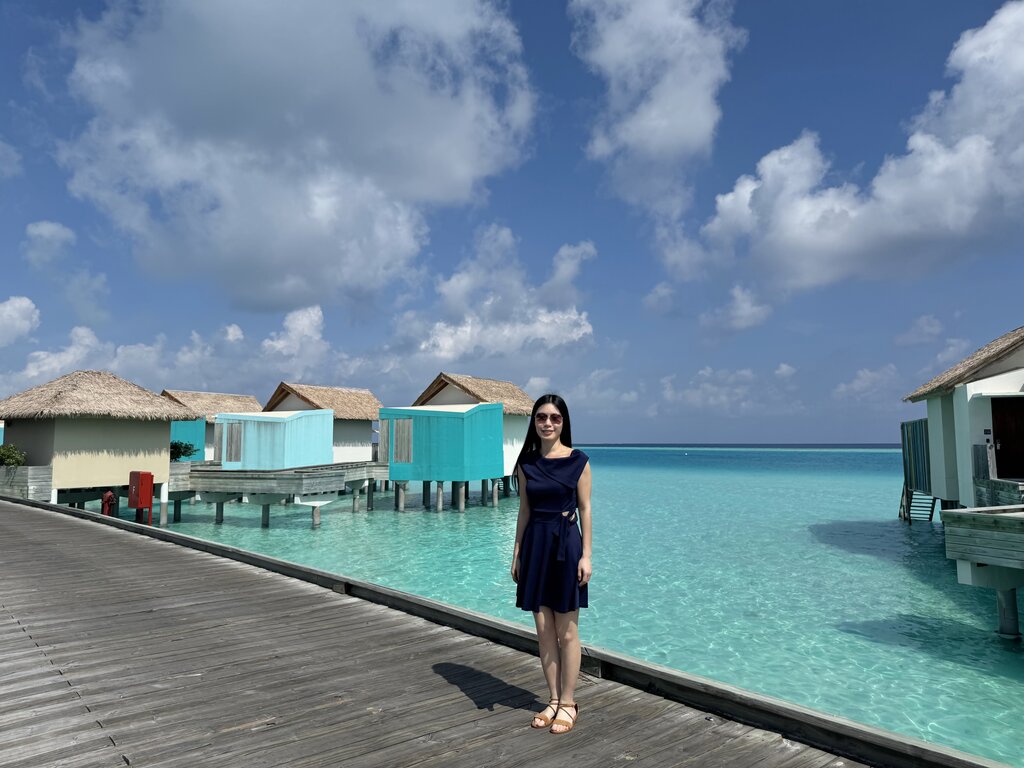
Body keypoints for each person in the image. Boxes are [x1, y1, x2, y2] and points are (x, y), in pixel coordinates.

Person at [511, 394, 592, 734]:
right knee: (544, 630)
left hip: (566, 545)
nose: (547, 423)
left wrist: (586, 555)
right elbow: (524, 511)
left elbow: (585, 508)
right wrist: (516, 553)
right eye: (541, 417)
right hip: (536, 546)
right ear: (534, 422)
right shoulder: (526, 463)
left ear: (563, 422)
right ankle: (554, 699)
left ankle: (569, 703)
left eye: (555, 418)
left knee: (567, 631)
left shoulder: (578, 461)